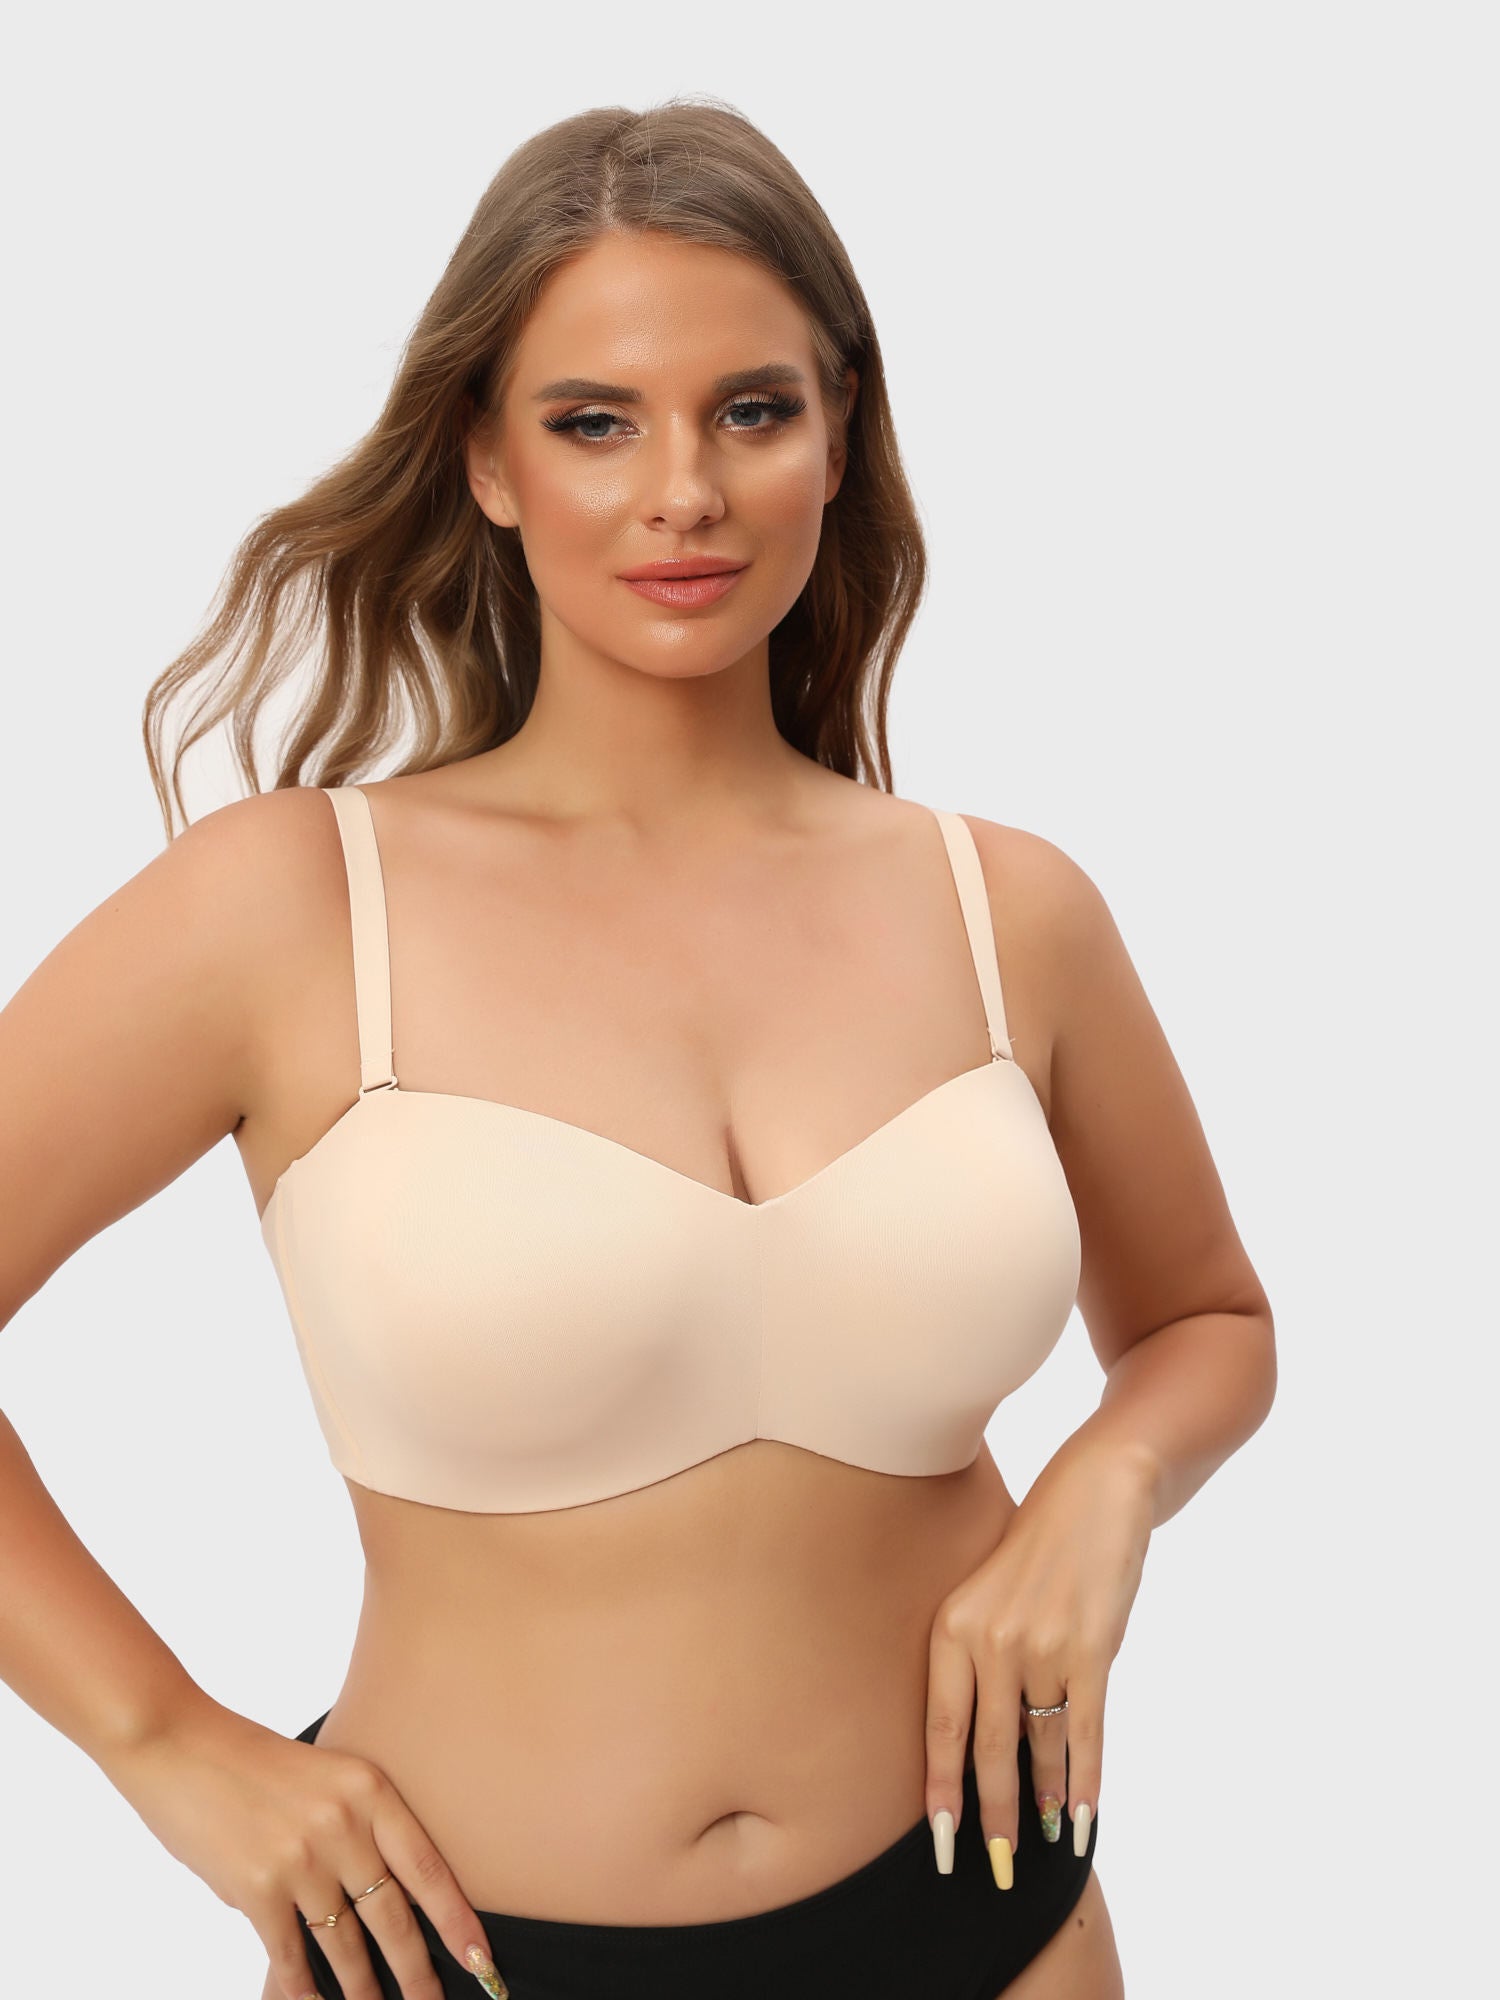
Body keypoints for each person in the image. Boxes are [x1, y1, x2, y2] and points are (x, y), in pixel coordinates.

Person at [0, 98, 1276, 2000]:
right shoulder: (292, 906)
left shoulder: (1007, 912)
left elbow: (1207, 1323)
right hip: (454, 1951)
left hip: (990, 1914)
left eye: (751, 410)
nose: (684, 491)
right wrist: (168, 1744)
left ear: (838, 433)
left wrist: (1110, 1487)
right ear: (488, 460)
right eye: (595, 421)